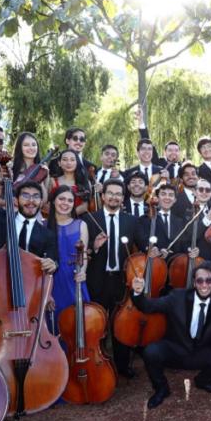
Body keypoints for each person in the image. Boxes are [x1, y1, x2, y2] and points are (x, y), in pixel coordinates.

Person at [130, 262, 211, 409]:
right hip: (176, 349)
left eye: (209, 280)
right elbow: (148, 306)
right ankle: (162, 389)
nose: (204, 284)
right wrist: (137, 293)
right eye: (199, 280)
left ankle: (203, 381)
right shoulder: (177, 297)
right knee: (150, 351)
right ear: (194, 282)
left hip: (199, 352)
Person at [83, 179, 140, 377]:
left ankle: (123, 366)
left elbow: (141, 246)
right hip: (96, 279)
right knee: (96, 325)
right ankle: (97, 364)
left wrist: (154, 249)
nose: (114, 197)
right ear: (103, 196)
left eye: (118, 194)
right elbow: (83, 250)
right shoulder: (90, 219)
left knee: (120, 323)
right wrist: (94, 247)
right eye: (111, 193)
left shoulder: (131, 221)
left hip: (121, 280)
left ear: (122, 198)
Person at [45, 186, 90, 340]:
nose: (66, 203)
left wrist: (83, 271)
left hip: (75, 279)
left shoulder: (81, 225)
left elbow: (83, 255)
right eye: (62, 199)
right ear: (53, 201)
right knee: (54, 328)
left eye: (70, 200)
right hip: (52, 283)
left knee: (77, 327)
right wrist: (46, 292)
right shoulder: (43, 226)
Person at [134, 183, 188, 259]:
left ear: (175, 200)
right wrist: (152, 249)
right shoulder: (144, 220)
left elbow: (183, 246)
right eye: (163, 194)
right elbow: (142, 241)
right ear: (157, 197)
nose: (167, 197)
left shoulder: (180, 221)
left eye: (171, 195)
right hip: (154, 264)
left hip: (175, 266)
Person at [44, 149, 91, 217]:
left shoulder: (85, 182)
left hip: (76, 221)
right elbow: (45, 203)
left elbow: (84, 206)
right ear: (59, 163)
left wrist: (67, 217)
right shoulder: (52, 181)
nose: (69, 163)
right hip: (55, 220)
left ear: (77, 162)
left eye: (72, 160)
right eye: (65, 159)